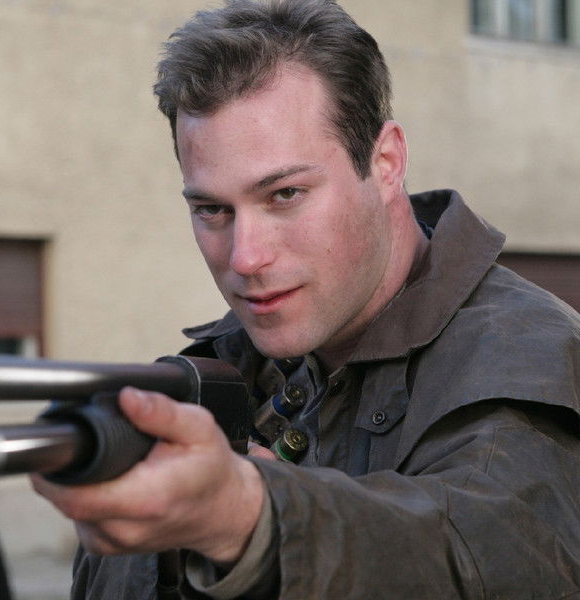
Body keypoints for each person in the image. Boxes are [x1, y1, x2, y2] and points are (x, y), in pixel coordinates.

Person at [32, 0, 580, 598]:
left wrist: (249, 519)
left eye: (285, 194)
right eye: (212, 209)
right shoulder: (222, 366)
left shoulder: (529, 357)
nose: (245, 257)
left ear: (386, 162)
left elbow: (489, 553)